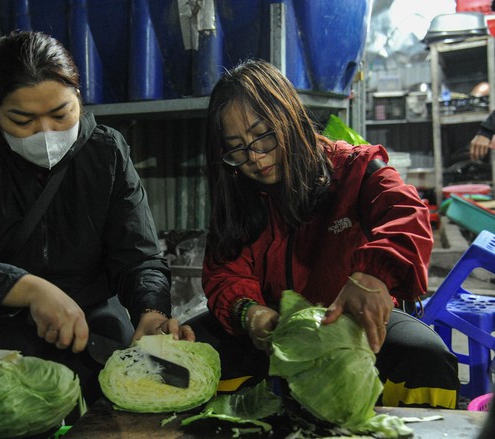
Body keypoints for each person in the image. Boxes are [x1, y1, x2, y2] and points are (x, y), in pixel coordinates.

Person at [0, 31, 193, 404]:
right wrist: (28, 289)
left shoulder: (107, 154)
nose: (45, 134)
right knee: (13, 401)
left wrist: (152, 311)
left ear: (79, 98)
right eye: (22, 120)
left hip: (92, 326)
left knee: (156, 385)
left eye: (61, 114)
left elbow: (139, 256)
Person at [187, 59, 460, 408]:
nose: (255, 157)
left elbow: (407, 214)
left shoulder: (355, 169)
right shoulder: (238, 194)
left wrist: (371, 277)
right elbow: (226, 273)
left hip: (353, 330)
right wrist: (249, 313)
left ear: (288, 118)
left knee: (426, 357)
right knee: (190, 353)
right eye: (237, 148)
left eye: (263, 136)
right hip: (273, 334)